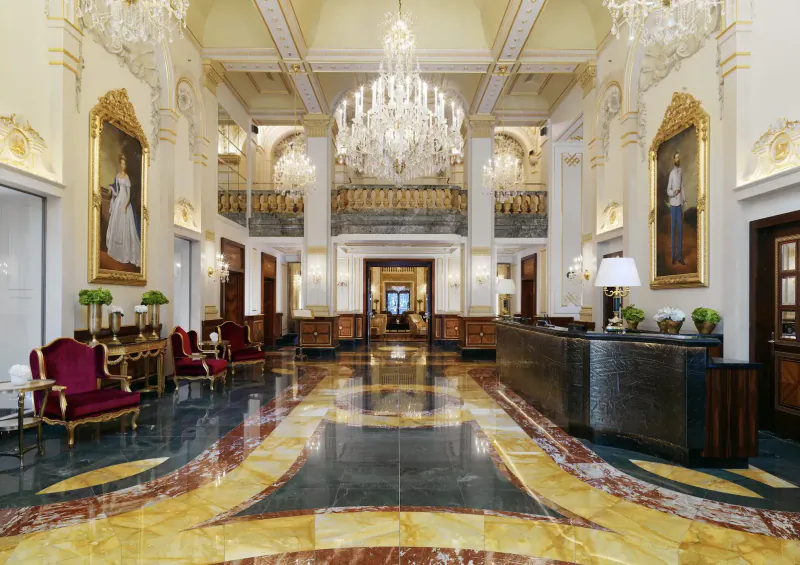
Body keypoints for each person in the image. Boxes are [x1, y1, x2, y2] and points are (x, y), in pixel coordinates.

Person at [106, 153, 141, 266]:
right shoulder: (118, 176)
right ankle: (116, 250)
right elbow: (116, 188)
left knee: (125, 226)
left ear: (126, 165)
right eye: (121, 164)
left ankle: (125, 252)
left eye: (124, 164)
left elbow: (129, 194)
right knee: (116, 224)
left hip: (124, 201)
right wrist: (111, 189)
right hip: (118, 200)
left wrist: (125, 205)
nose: (122, 166)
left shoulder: (127, 178)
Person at [666, 151, 686, 266]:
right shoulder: (672, 173)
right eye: (676, 158)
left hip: (679, 205)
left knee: (680, 231)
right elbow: (668, 190)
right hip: (673, 205)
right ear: (674, 160)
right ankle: (673, 256)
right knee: (673, 231)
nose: (678, 159)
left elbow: (682, 187)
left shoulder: (681, 171)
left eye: (679, 157)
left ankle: (679, 256)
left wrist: (684, 200)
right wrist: (673, 193)